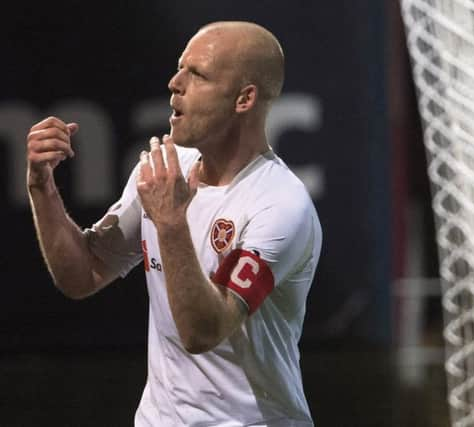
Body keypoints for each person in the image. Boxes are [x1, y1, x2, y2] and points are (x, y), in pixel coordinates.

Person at [26, 21, 322, 427]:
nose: (174, 83)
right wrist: (42, 188)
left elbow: (204, 331)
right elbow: (83, 273)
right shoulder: (164, 171)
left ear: (244, 98)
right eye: (180, 68)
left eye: (197, 74)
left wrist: (170, 224)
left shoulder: (280, 206)